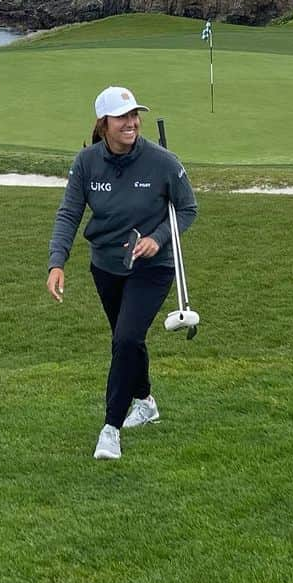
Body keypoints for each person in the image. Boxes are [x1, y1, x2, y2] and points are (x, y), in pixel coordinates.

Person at [46, 86, 198, 461]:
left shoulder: (163, 161)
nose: (131, 123)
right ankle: (145, 401)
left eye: (134, 115)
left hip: (152, 267)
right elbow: (69, 213)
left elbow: (188, 208)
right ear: (104, 123)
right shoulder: (86, 163)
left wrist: (158, 238)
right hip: (106, 266)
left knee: (126, 339)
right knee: (128, 341)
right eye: (122, 117)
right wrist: (56, 261)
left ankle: (110, 428)